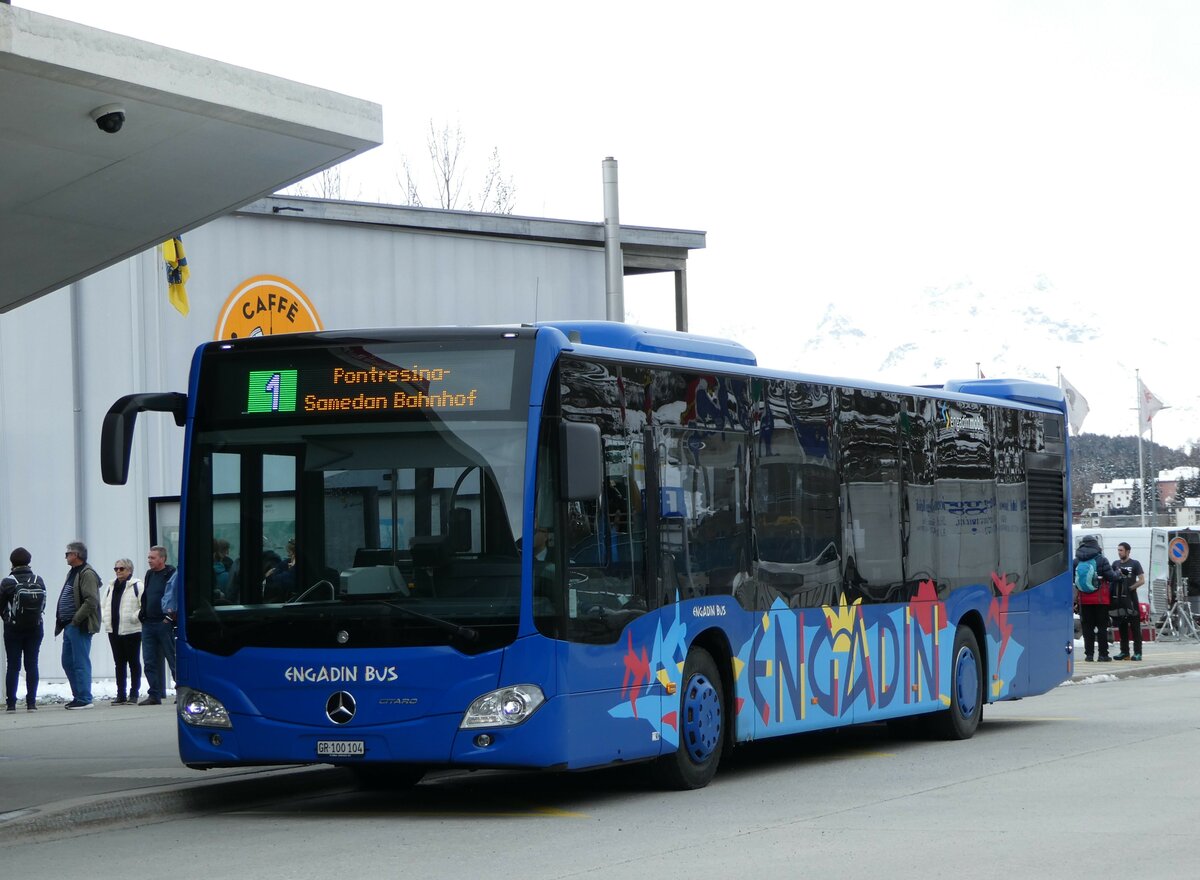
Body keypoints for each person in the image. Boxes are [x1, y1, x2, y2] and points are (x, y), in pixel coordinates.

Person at [55, 541, 101, 708]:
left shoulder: (87, 573)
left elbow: (91, 600)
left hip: (79, 625)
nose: (66, 556)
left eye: (68, 553)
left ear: (76, 555)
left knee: (80, 662)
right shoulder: (73, 572)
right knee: (67, 661)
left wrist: (76, 620)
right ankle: (78, 695)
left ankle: (84, 698)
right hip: (69, 625)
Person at [1, 547, 47, 711]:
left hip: (13, 629)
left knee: (13, 665)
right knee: (32, 664)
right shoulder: (38, 579)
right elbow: (43, 603)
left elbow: (1, 606)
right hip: (35, 628)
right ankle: (31, 703)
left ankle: (11, 704)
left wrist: (8, 619)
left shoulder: (8, 582)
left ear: (12, 563)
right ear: (29, 561)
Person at [138, 545, 177, 706]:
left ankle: (181, 690)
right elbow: (147, 595)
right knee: (149, 660)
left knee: (172, 658)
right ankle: (154, 694)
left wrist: (169, 617)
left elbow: (174, 595)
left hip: (164, 622)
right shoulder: (149, 574)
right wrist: (142, 613)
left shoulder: (170, 573)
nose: (149, 561)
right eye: (149, 558)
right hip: (148, 623)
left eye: (152, 558)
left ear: (162, 558)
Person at [102, 558, 143, 704]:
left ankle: (134, 693)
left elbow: (143, 606)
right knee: (119, 663)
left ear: (129, 570)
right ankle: (121, 694)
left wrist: (134, 617)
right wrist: (105, 618)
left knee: (133, 662)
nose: (118, 571)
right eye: (116, 569)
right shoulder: (111, 586)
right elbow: (104, 604)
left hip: (132, 630)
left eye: (122, 569)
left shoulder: (137, 585)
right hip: (113, 629)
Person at [1074, 534, 1117, 663]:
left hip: (1084, 601)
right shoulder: (1101, 560)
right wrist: (1118, 574)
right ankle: (1103, 655)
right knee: (1102, 628)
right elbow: (1111, 577)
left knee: (1087, 629)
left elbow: (1073, 580)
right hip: (1100, 600)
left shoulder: (1076, 561)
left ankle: (1089, 655)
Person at [1111, 541, 1146, 661]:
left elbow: (1142, 580)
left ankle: (1138, 653)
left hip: (1131, 599)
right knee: (1122, 626)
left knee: (1135, 627)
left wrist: (1130, 588)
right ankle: (1124, 652)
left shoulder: (1135, 564)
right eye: (1118, 550)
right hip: (1119, 600)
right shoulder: (1115, 564)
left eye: (1121, 550)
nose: (1119, 552)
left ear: (1127, 551)